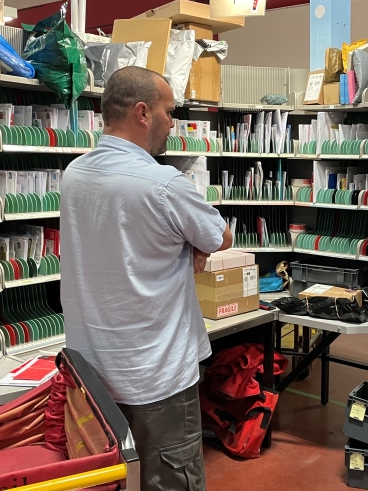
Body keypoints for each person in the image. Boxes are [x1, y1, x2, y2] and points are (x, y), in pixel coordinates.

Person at [61, 66, 232, 491]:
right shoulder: (163, 184)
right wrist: (194, 243)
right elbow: (220, 235)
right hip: (156, 377)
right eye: (169, 112)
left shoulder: (73, 176)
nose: (172, 123)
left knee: (110, 479)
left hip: (93, 376)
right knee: (170, 480)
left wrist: (183, 241)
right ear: (142, 112)